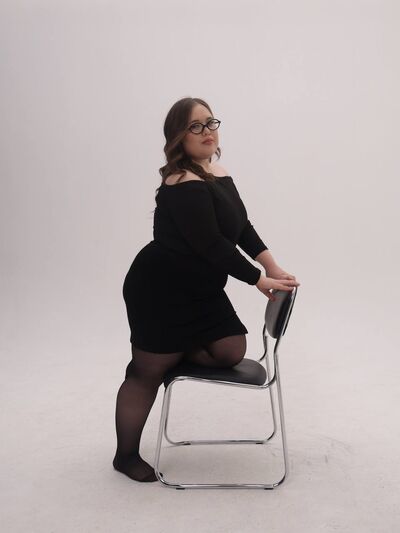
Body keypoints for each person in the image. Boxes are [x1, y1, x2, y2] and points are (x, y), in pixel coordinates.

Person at [113, 97, 300, 482]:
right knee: (146, 372)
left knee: (231, 349)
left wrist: (271, 266)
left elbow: (241, 227)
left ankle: (173, 353)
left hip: (200, 289)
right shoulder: (182, 182)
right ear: (178, 138)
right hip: (161, 290)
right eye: (195, 126)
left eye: (210, 122)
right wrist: (257, 280)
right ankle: (125, 455)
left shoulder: (217, 172)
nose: (207, 131)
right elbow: (211, 244)